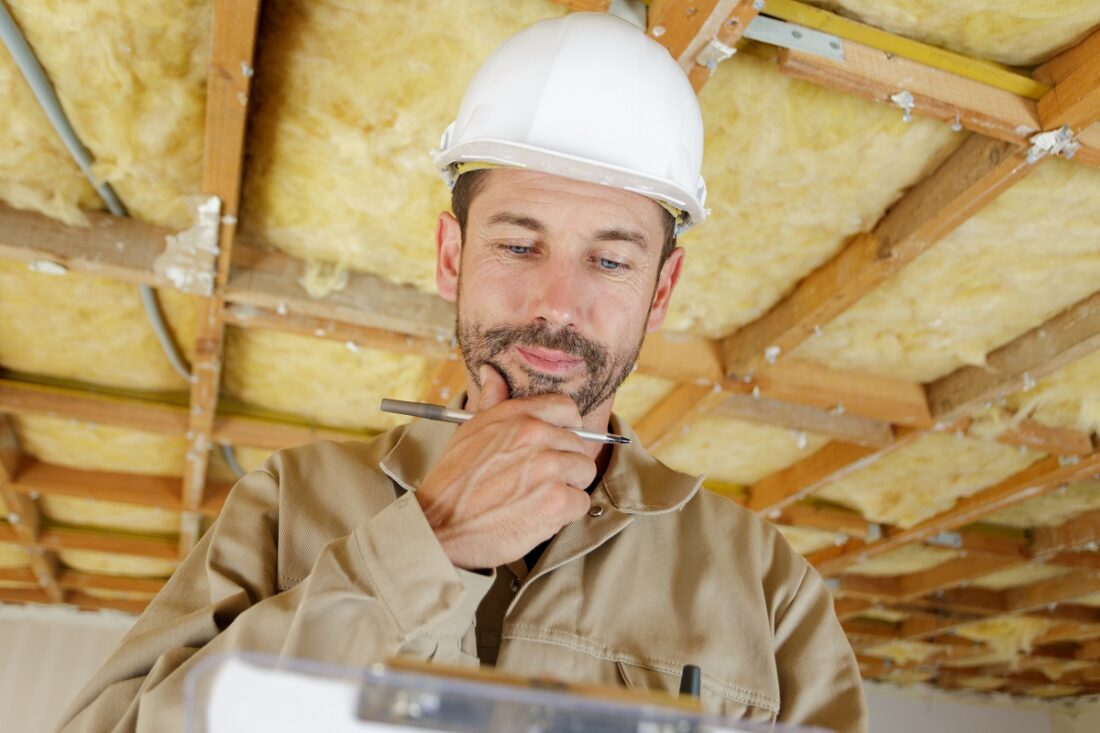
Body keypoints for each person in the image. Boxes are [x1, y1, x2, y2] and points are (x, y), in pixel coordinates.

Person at [58, 12, 866, 732]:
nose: (559, 304)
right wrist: (423, 546)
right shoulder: (290, 507)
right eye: (519, 244)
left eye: (611, 259)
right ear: (453, 256)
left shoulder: (767, 588)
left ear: (660, 291)